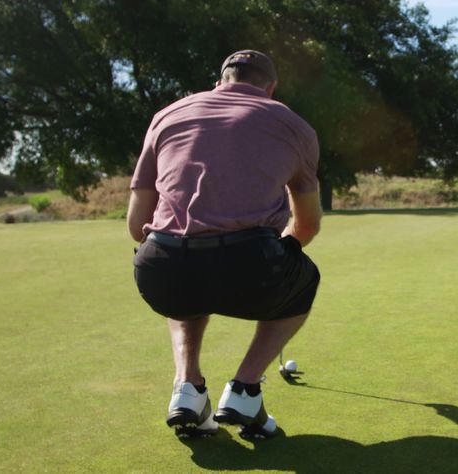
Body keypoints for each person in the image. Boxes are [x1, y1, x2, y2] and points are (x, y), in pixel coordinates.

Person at [127, 50, 322, 439]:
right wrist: (277, 249)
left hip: (160, 268)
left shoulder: (166, 115)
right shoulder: (293, 124)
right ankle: (246, 388)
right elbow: (308, 225)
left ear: (221, 80)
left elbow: (137, 226)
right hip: (251, 264)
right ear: (270, 87)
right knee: (305, 279)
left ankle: (187, 388)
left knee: (188, 285)